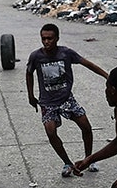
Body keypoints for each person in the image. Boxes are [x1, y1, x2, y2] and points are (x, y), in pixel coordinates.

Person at [25, 23, 108, 177]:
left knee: (86, 126)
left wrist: (107, 76)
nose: (46, 42)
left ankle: (88, 159)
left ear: (57, 38)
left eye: (50, 38)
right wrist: (30, 95)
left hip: (66, 99)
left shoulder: (66, 53)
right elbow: (29, 73)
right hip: (48, 103)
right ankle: (67, 163)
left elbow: (88, 64)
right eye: (43, 39)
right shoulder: (36, 56)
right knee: (50, 132)